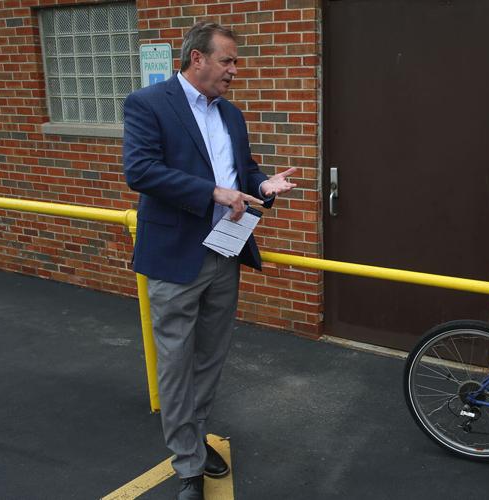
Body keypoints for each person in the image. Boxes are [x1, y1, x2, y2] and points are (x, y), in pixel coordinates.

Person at [122, 22, 296, 500]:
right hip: (176, 256)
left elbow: (243, 170)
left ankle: (194, 439)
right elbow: (141, 170)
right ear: (197, 58)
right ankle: (187, 468)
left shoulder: (231, 114)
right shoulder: (149, 104)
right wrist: (211, 192)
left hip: (226, 249)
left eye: (235, 62)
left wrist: (262, 185)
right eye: (227, 61)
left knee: (209, 361)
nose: (234, 71)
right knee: (177, 364)